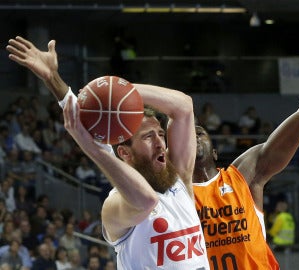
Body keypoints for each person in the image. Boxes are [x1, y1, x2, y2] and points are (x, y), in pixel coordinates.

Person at [7, 36, 210, 269]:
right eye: (148, 137)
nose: (160, 143)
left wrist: (118, 93)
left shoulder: (179, 179)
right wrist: (91, 146)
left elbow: (183, 106)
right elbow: (146, 200)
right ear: (124, 153)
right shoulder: (115, 205)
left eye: (161, 134)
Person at [192, 14, 299, 270]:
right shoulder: (172, 196)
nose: (193, 135)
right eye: (186, 134)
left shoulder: (243, 176)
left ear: (215, 152)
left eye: (200, 131)